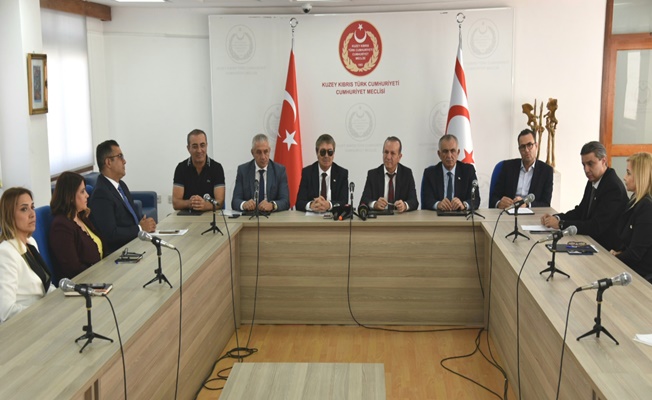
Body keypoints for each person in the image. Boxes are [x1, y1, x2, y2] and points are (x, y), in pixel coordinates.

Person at [541, 141, 628, 250]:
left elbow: (596, 226)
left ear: (603, 161)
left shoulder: (613, 188)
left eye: (590, 164)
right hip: (591, 242)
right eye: (584, 165)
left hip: (606, 249)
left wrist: (561, 224)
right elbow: (581, 211)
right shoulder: (593, 181)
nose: (586, 170)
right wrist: (557, 217)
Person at [89, 140, 156, 255]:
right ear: (108, 162)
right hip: (119, 253)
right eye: (120, 156)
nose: (124, 161)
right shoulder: (101, 193)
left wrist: (145, 223)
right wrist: (140, 228)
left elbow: (133, 219)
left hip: (135, 244)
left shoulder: (122, 185)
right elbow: (111, 234)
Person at [0, 187, 56, 323]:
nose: (32, 214)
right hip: (26, 325)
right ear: (9, 215)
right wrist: (45, 312)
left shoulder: (31, 242)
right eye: (24, 209)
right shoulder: (5, 252)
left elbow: (45, 284)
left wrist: (61, 298)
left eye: (32, 207)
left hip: (44, 316)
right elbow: (6, 311)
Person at [49, 172, 103, 280]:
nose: (87, 195)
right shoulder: (61, 227)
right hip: (85, 281)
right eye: (82, 192)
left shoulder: (82, 217)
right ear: (70, 196)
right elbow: (73, 269)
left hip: (99, 272)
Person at [610, 152, 652, 280]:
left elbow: (635, 253)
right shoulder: (635, 199)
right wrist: (619, 253)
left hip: (640, 277)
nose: (624, 177)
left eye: (628, 173)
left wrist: (614, 258)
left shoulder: (647, 207)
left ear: (640, 176)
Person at [490, 129, 554, 209]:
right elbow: (494, 198)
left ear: (536, 146)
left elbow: (546, 204)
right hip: (509, 211)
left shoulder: (546, 171)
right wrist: (499, 203)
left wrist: (527, 205)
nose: (526, 150)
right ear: (519, 149)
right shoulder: (507, 167)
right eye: (523, 147)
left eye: (529, 145)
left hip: (532, 214)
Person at [232, 134, 290, 212]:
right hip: (250, 215)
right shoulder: (243, 170)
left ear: (269, 151)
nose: (263, 157)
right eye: (259, 152)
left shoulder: (279, 171)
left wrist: (272, 205)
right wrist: (244, 204)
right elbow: (235, 201)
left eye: (266, 152)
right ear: (252, 153)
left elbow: (285, 201)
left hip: (271, 216)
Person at [421, 134, 480, 211]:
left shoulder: (468, 171)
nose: (449, 155)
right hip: (437, 216)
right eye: (445, 151)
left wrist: (464, 205)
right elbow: (426, 200)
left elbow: (475, 199)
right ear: (439, 154)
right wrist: (438, 204)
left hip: (461, 216)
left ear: (458, 152)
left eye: (452, 151)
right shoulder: (430, 173)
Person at [360, 136, 418, 213]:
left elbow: (414, 201)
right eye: (386, 152)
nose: (388, 157)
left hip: (399, 218)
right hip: (380, 218)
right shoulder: (373, 175)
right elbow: (363, 201)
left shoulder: (407, 173)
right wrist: (375, 204)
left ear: (399, 157)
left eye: (392, 153)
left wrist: (404, 205)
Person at [172, 129, 225, 211]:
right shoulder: (181, 168)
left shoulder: (217, 168)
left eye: (202, 145)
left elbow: (220, 202)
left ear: (207, 146)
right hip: (187, 215)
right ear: (188, 148)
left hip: (210, 214)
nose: (199, 150)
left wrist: (205, 205)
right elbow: (176, 203)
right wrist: (191, 203)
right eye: (195, 146)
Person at [296, 134, 349, 212]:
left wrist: (329, 205)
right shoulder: (307, 172)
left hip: (333, 217)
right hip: (312, 217)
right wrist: (311, 205)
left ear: (333, 154)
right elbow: (299, 203)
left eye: (330, 152)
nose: (326, 156)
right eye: (323, 152)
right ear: (317, 152)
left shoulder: (342, 173)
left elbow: (344, 202)